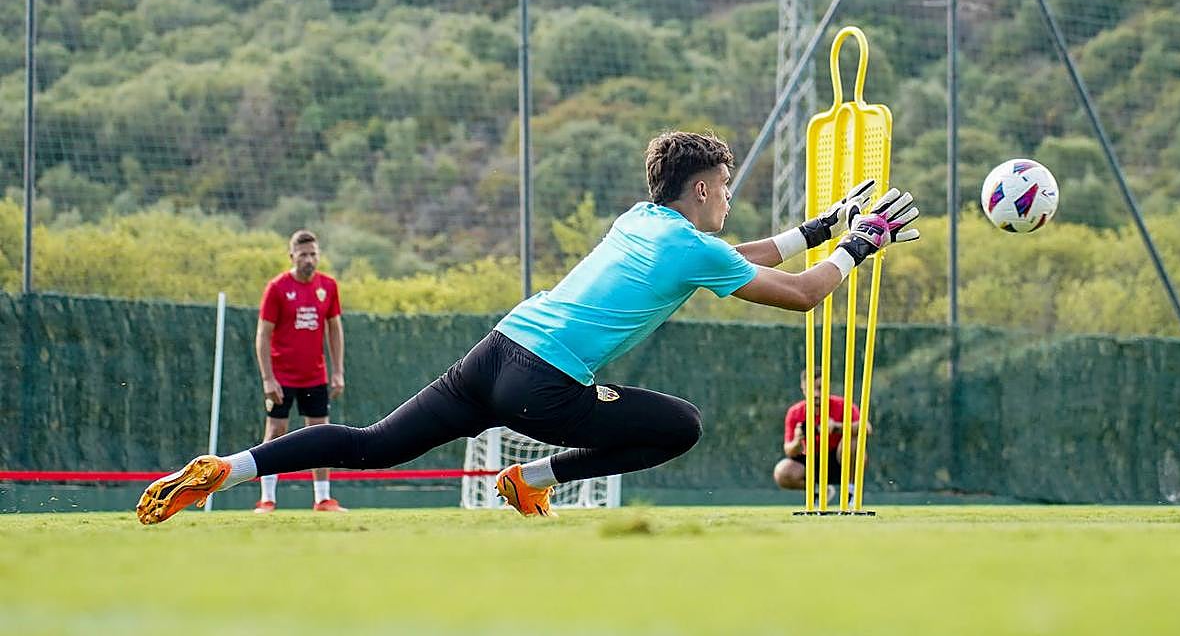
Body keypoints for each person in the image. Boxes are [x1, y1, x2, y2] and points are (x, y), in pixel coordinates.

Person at [137, 131, 918, 524]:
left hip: (498, 349)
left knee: (370, 444)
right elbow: (803, 295)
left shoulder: (646, 221)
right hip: (542, 381)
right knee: (681, 425)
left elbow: (737, 256)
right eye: (724, 187)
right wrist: (859, 244)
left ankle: (227, 468)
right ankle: (532, 481)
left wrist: (823, 226)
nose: (727, 199)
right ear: (707, 187)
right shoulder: (688, 242)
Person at [253, 229, 347, 514]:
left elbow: (335, 329)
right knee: (276, 431)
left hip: (314, 375)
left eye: (313, 254)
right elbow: (263, 335)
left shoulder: (328, 286)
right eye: (303, 254)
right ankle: (267, 499)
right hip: (282, 377)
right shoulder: (277, 287)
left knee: (320, 434)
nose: (309, 259)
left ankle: (322, 499)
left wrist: (338, 370)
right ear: (292, 256)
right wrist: (268, 378)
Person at [772, 367, 872, 501]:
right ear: (803, 388)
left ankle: (851, 491)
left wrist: (837, 427)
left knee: (852, 442)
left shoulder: (843, 405)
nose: (816, 394)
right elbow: (789, 451)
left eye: (820, 388)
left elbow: (866, 428)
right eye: (811, 388)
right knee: (782, 472)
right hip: (811, 460)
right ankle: (819, 491)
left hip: (839, 460)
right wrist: (797, 440)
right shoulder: (795, 412)